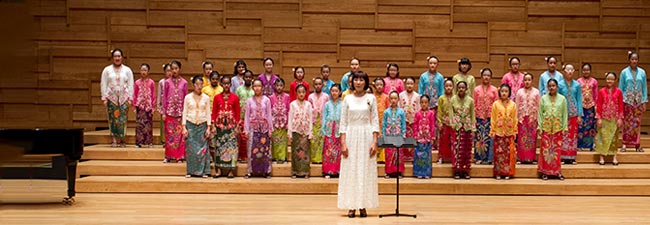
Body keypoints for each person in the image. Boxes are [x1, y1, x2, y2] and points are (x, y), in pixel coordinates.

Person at [338, 71, 379, 218]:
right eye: (356, 80)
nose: (359, 82)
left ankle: (363, 205)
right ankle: (351, 206)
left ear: (365, 82)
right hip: (351, 135)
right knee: (351, 170)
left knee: (364, 169)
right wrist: (343, 142)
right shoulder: (347, 99)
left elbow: (375, 121)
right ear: (352, 82)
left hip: (366, 135)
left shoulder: (371, 98)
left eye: (362, 80)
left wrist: (375, 141)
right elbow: (343, 122)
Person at [100, 48, 134, 148]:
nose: (117, 58)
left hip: (124, 98)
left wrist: (130, 98)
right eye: (115, 56)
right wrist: (104, 98)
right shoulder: (107, 70)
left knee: (122, 119)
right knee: (113, 119)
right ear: (112, 58)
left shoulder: (127, 70)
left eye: (119, 56)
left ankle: (122, 139)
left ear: (122, 57)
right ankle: (114, 139)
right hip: (111, 98)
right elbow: (103, 84)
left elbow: (130, 84)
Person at [538, 79, 568, 181]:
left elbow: (565, 114)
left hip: (557, 128)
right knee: (546, 151)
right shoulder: (543, 99)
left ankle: (557, 172)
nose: (551, 87)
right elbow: (540, 114)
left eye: (553, 85)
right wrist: (540, 127)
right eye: (550, 86)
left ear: (557, 87)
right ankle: (545, 172)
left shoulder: (562, 99)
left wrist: (565, 127)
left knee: (556, 152)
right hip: (546, 128)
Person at [182, 76, 212, 178]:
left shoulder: (206, 98)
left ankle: (203, 171)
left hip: (202, 125)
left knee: (203, 149)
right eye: (197, 84)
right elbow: (184, 112)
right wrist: (184, 127)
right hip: (190, 124)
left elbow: (208, 112)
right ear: (193, 85)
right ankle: (191, 171)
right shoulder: (188, 97)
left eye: (201, 84)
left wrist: (208, 127)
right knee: (191, 149)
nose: (199, 86)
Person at [243, 79, 273, 178]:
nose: (257, 88)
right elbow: (247, 116)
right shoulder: (249, 100)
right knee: (252, 151)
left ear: (262, 87)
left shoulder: (267, 100)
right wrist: (246, 129)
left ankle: (266, 171)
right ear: (252, 88)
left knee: (265, 151)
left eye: (259, 86)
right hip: (253, 129)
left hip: (264, 129)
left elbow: (269, 115)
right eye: (255, 86)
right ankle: (250, 171)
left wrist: (270, 129)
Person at [211, 75, 240, 178]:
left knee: (232, 148)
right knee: (219, 148)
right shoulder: (217, 97)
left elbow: (237, 113)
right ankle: (218, 170)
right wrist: (213, 125)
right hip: (219, 127)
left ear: (231, 85)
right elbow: (214, 112)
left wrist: (237, 127)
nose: (226, 85)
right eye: (224, 83)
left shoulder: (235, 97)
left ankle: (231, 171)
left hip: (231, 127)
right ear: (221, 84)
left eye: (228, 83)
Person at [620, 51, 647, 152]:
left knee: (637, 123)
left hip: (638, 101)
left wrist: (644, 101)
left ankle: (637, 144)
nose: (634, 61)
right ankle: (624, 144)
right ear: (629, 60)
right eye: (632, 59)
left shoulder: (642, 72)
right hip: (627, 101)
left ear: (638, 60)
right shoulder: (624, 72)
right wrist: (620, 102)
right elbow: (620, 88)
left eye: (636, 59)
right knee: (626, 123)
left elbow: (644, 88)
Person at [595, 72, 624, 166]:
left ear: (615, 80)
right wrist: (598, 118)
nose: (609, 81)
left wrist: (620, 118)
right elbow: (598, 105)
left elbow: (620, 106)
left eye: (611, 79)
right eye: (608, 79)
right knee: (603, 137)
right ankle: (602, 156)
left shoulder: (619, 92)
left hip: (614, 118)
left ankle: (614, 156)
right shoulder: (601, 91)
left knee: (614, 138)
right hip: (604, 117)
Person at [490, 84, 518, 180]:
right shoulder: (495, 104)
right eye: (502, 91)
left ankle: (507, 173)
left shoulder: (513, 105)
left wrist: (515, 131)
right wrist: (493, 130)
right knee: (499, 153)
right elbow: (493, 118)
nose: (504, 93)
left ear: (509, 92)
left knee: (508, 153)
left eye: (506, 91)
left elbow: (515, 118)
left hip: (509, 132)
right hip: (498, 132)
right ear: (499, 92)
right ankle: (498, 172)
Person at [162, 60, 188, 163]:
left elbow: (186, 98)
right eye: (172, 69)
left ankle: (179, 156)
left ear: (179, 69)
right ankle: (168, 155)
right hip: (169, 112)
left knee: (179, 135)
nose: (174, 71)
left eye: (176, 68)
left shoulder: (184, 83)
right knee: (169, 135)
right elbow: (164, 98)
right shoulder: (167, 82)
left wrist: (185, 113)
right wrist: (164, 112)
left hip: (180, 113)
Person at [450, 81, 475, 179]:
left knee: (466, 150)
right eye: (459, 87)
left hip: (467, 127)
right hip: (456, 127)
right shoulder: (453, 99)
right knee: (457, 149)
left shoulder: (470, 100)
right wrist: (453, 124)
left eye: (463, 87)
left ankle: (465, 170)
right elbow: (451, 113)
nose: (461, 89)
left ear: (466, 88)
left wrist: (473, 127)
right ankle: (457, 170)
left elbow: (472, 114)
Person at [418, 56, 444, 150]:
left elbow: (441, 92)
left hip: (436, 105)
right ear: (428, 64)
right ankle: (424, 141)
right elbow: (420, 91)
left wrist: (439, 104)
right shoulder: (423, 76)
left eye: (434, 63)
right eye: (431, 63)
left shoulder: (440, 77)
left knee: (435, 125)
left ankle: (435, 143)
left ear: (437, 65)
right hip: (425, 105)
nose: (432, 65)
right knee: (425, 123)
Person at [560, 64, 583, 165]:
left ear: (573, 71)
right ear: (564, 71)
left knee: (573, 136)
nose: (569, 71)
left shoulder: (577, 85)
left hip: (574, 113)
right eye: (567, 69)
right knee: (564, 135)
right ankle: (563, 157)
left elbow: (579, 99)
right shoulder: (560, 84)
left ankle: (572, 157)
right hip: (563, 113)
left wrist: (579, 114)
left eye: (571, 69)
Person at [288, 84, 313, 178]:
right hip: (296, 131)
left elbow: (310, 118)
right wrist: (289, 132)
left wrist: (310, 132)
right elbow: (290, 118)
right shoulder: (292, 104)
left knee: (305, 152)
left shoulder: (308, 104)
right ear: (296, 93)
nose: (301, 94)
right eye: (299, 92)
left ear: (306, 93)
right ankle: (295, 171)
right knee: (296, 151)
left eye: (303, 92)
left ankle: (305, 172)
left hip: (305, 131)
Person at [473, 68, 498, 165]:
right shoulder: (476, 89)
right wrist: (474, 118)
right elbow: (474, 104)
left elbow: (496, 105)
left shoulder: (494, 90)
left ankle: (489, 158)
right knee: (479, 138)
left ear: (491, 77)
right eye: (484, 75)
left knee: (489, 138)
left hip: (490, 117)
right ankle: (478, 157)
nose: (486, 77)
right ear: (481, 76)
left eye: (488, 75)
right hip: (479, 117)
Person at [515, 72, 540, 164]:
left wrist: (538, 119)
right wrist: (516, 119)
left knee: (532, 138)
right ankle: (521, 158)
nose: (527, 82)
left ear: (532, 81)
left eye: (529, 80)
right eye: (525, 80)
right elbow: (517, 106)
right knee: (522, 138)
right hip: (522, 118)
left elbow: (538, 106)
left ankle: (531, 158)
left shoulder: (536, 92)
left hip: (532, 119)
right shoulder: (519, 92)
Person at [383, 91, 406, 178]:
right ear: (389, 99)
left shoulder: (401, 112)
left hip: (398, 135)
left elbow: (403, 123)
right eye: (391, 98)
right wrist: (384, 135)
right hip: (389, 136)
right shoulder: (386, 112)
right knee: (389, 154)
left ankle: (399, 172)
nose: (393, 100)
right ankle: (388, 172)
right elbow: (384, 124)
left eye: (395, 98)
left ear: (398, 99)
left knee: (398, 154)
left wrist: (403, 134)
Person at [322, 84, 343, 178]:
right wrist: (323, 130)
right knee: (328, 151)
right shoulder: (327, 104)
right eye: (332, 91)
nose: (334, 93)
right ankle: (327, 171)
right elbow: (324, 118)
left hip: (339, 130)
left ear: (340, 92)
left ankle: (337, 170)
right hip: (329, 130)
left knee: (338, 152)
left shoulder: (343, 104)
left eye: (336, 91)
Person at [133, 63, 155, 148]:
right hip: (140, 106)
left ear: (148, 71)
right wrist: (134, 106)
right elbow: (135, 94)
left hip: (148, 107)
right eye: (142, 70)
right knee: (139, 125)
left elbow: (153, 95)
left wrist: (153, 106)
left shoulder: (151, 82)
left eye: (145, 70)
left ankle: (149, 142)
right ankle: (139, 142)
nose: (143, 72)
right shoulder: (137, 82)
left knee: (148, 125)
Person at [413, 95, 435, 179]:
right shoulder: (417, 113)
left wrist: (432, 137)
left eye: (426, 102)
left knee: (427, 156)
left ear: (428, 103)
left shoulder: (431, 113)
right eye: (422, 102)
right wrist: (415, 135)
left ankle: (426, 173)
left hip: (428, 138)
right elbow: (415, 125)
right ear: (420, 103)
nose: (424, 104)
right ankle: (419, 172)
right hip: (419, 138)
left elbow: (432, 125)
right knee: (419, 155)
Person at [577, 63, 598, 151]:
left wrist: (596, 106)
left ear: (590, 71)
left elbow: (596, 94)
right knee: (580, 126)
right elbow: (577, 95)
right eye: (584, 70)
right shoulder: (578, 81)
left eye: (588, 70)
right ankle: (580, 145)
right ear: (582, 71)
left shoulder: (594, 81)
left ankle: (590, 145)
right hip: (581, 106)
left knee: (590, 126)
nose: (586, 71)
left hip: (591, 106)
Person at [399, 77, 420, 161]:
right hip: (404, 121)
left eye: (411, 83)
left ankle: (412, 156)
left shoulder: (417, 96)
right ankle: (404, 156)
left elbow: (418, 109)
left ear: (414, 85)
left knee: (413, 137)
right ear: (405, 84)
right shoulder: (401, 95)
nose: (409, 85)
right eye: (408, 83)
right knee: (405, 137)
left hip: (414, 121)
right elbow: (399, 107)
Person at [309, 77, 329, 164]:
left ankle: (321, 159)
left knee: (321, 141)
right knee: (314, 141)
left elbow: (328, 109)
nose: (318, 86)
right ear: (313, 85)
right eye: (316, 84)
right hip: (313, 121)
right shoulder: (310, 97)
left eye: (319, 84)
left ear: (323, 85)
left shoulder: (326, 96)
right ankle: (314, 159)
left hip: (323, 121)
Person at [236, 70, 255, 162]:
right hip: (241, 117)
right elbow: (236, 103)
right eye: (246, 77)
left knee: (250, 137)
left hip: (252, 118)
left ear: (252, 78)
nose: (248, 78)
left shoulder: (254, 90)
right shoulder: (239, 89)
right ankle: (241, 156)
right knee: (242, 137)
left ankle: (250, 156)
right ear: (243, 78)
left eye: (249, 77)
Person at [270, 78, 290, 164]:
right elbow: (269, 110)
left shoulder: (287, 97)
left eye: (281, 85)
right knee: (275, 141)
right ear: (274, 86)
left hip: (284, 122)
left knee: (283, 141)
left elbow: (289, 110)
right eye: (277, 85)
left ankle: (283, 158)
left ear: (284, 86)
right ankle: (275, 158)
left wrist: (288, 123)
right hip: (274, 122)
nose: (279, 87)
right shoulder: (271, 97)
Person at [437, 79, 455, 164]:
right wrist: (440, 122)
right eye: (447, 86)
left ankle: (453, 157)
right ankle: (441, 157)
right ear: (444, 87)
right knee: (443, 141)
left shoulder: (456, 98)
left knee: (453, 141)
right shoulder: (441, 98)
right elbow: (439, 111)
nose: (448, 88)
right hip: (444, 123)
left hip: (454, 123)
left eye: (450, 86)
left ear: (453, 87)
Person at [373, 78, 390, 164]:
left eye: (381, 85)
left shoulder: (386, 97)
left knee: (383, 137)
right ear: (374, 86)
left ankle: (382, 158)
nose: (379, 86)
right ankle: (374, 156)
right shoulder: (372, 97)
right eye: (377, 85)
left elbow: (388, 109)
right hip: (374, 121)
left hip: (383, 121)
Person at [157, 64, 172, 146]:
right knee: (164, 124)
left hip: (172, 106)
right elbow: (159, 94)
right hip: (164, 106)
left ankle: (171, 140)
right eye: (167, 71)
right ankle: (164, 140)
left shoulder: (174, 82)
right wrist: (158, 106)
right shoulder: (161, 82)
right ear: (164, 72)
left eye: (170, 70)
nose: (169, 73)